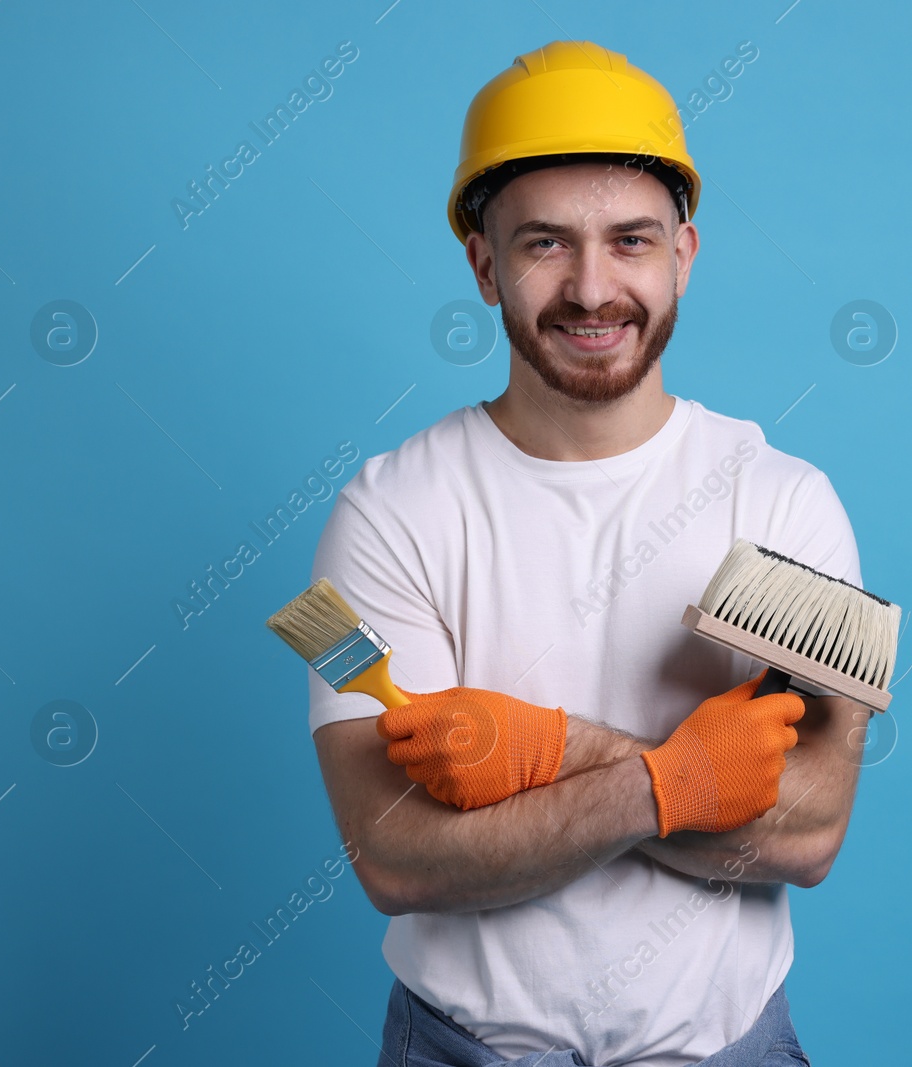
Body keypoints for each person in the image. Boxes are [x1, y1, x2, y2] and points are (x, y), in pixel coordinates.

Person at [307, 40, 873, 1067]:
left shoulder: (782, 502)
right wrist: (674, 780)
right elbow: (395, 858)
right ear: (484, 265)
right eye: (543, 245)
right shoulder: (388, 514)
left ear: (683, 256)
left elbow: (805, 834)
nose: (591, 287)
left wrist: (553, 749)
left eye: (630, 240)